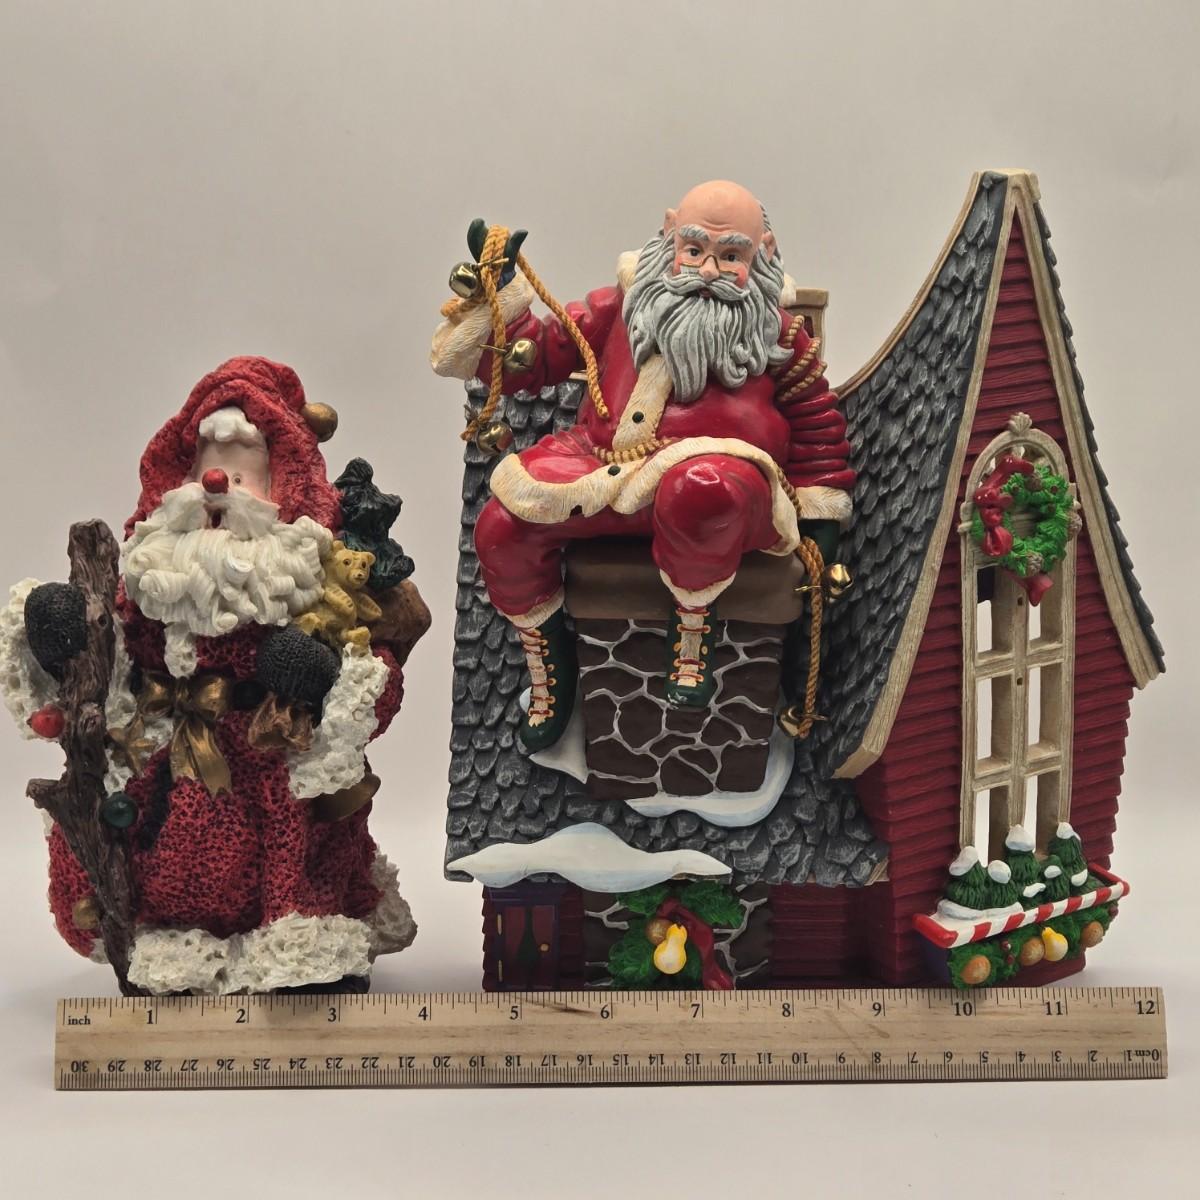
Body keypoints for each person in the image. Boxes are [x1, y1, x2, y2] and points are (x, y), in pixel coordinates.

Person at [0, 357, 426, 993]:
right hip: (157, 751)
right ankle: (162, 940)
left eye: (244, 474)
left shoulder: (303, 584)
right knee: (142, 843)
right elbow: (106, 662)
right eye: (206, 470)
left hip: (264, 757)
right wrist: (62, 638)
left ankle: (292, 943)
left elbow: (367, 681)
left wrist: (315, 683)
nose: (219, 484)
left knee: (293, 840)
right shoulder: (150, 580)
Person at [432, 180, 854, 749]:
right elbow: (538, 353)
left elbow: (817, 425)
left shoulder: (777, 334)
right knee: (502, 526)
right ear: (669, 233)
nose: (708, 271)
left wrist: (821, 526)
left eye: (731, 255)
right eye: (695, 249)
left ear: (764, 253)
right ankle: (547, 659)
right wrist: (499, 291)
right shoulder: (621, 306)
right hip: (606, 471)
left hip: (729, 489)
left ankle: (693, 627)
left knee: (700, 489)